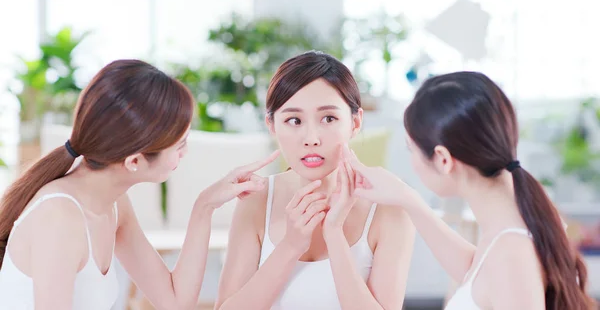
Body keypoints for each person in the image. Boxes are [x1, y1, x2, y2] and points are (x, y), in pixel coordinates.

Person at [0, 59, 279, 310]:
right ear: (134, 161)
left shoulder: (113, 203)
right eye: (180, 145)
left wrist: (204, 206)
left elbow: (175, 302)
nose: (185, 153)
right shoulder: (60, 218)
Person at [346, 71, 595, 309]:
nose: (412, 159)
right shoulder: (506, 232)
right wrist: (407, 198)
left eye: (412, 149)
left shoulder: (511, 254)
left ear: (443, 159)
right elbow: (474, 274)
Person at [215, 51, 415, 310]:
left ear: (355, 122)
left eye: (328, 119)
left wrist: (334, 233)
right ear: (272, 125)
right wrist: (290, 247)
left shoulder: (390, 210)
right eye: (294, 120)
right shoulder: (256, 201)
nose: (311, 138)